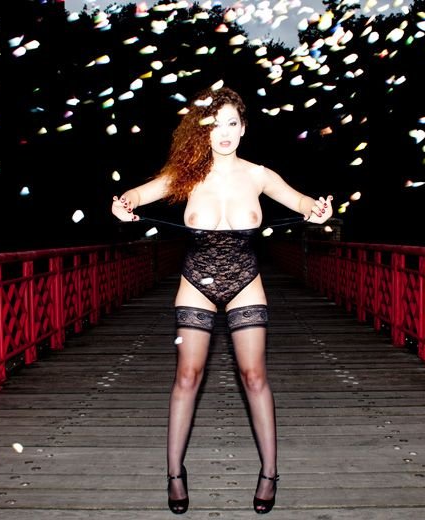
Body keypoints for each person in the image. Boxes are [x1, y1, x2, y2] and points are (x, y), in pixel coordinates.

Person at [111, 86, 333, 515]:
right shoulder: (187, 173)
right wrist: (124, 205)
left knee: (254, 376)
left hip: (245, 278)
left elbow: (301, 201)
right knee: (187, 376)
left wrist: (317, 208)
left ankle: (269, 473)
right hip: (196, 278)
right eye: (216, 125)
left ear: (243, 128)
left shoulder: (259, 175)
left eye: (232, 123)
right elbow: (138, 194)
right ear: (204, 130)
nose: (225, 132)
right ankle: (175, 474)